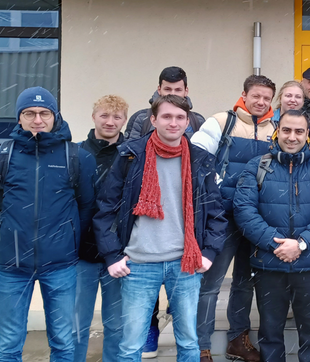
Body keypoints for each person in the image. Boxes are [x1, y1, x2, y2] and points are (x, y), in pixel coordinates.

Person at [93, 94, 228, 362]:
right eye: (166, 116)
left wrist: (209, 253)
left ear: (188, 121)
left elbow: (216, 213)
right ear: (153, 119)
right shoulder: (131, 156)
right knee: (131, 346)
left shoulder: (200, 160)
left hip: (185, 263)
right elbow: (106, 209)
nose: (173, 123)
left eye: (180, 117)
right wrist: (111, 256)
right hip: (139, 264)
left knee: (189, 344)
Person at [0, 86, 97, 362]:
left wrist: (68, 241)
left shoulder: (76, 157)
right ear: (19, 118)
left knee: (64, 344)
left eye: (44, 113)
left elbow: (87, 207)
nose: (37, 119)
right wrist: (5, 240)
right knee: (9, 347)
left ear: (55, 116)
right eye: (29, 113)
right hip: (11, 268)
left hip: (62, 266)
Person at [233, 110, 310, 362]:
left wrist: (301, 244)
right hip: (268, 265)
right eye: (286, 130)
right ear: (277, 131)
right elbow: (244, 211)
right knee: (270, 334)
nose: (291, 137)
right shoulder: (258, 166)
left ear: (307, 135)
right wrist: (277, 244)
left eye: (298, 131)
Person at [191, 75, 277, 362]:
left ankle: (237, 340)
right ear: (244, 94)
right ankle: (200, 345)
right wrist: (218, 188)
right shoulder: (220, 122)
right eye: (257, 96)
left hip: (254, 220)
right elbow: (196, 158)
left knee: (245, 282)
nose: (261, 102)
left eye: (267, 98)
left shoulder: (275, 131)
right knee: (211, 283)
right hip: (222, 218)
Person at [73, 94, 129, 362]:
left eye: (116, 116)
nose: (110, 121)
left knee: (117, 325)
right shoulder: (75, 153)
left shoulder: (131, 155)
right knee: (74, 326)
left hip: (118, 253)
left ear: (124, 120)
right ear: (93, 116)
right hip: (79, 253)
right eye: (104, 115)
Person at [124, 66, 205, 141]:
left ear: (186, 91)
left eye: (178, 90)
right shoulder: (141, 119)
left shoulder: (197, 121)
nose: (172, 94)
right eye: (167, 89)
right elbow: (130, 152)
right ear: (159, 90)